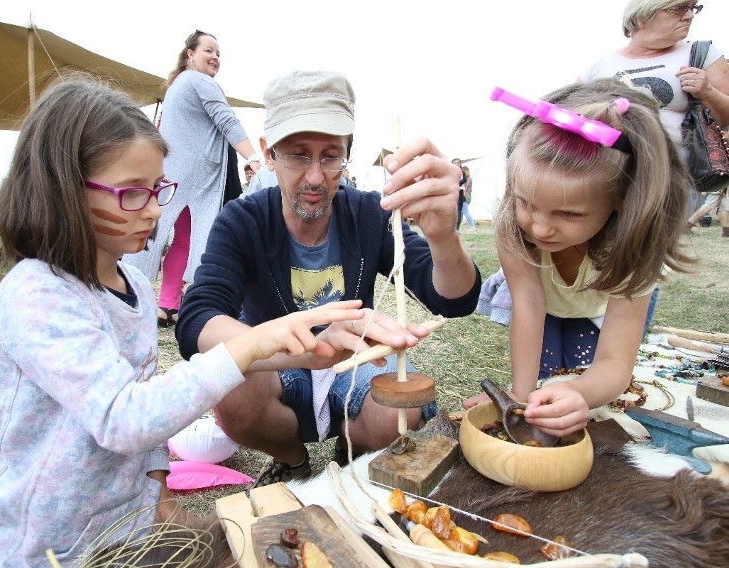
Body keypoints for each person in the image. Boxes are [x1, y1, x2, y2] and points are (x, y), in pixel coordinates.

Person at [0, 75, 364, 568]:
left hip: (123, 536)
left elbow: (148, 432)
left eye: (157, 189)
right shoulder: (38, 294)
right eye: (132, 193)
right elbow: (125, 418)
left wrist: (160, 501)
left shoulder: (130, 283)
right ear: (62, 188)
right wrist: (250, 345)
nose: (154, 209)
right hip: (38, 552)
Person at [176, 70, 481, 487]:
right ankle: (292, 458)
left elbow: (453, 299)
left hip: (357, 368)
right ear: (269, 153)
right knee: (228, 387)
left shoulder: (370, 214)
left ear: (346, 154)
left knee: (401, 412)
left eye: (331, 155)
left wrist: (443, 237)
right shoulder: (243, 220)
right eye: (299, 155)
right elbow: (197, 322)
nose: (316, 176)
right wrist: (305, 348)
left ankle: (355, 446)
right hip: (279, 370)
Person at [464, 79, 694, 438]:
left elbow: (615, 364)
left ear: (621, 203)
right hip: (545, 302)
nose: (539, 228)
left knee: (581, 382)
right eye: (526, 202)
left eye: (569, 214)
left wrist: (580, 394)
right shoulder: (514, 224)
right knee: (546, 380)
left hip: (603, 308)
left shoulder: (632, 246)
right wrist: (521, 395)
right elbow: (527, 301)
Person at [121, 30, 263, 328]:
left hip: (178, 176)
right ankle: (133, 298)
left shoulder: (177, 85)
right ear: (190, 54)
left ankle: (167, 305)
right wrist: (253, 158)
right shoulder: (199, 81)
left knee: (179, 239)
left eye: (218, 54)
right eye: (208, 51)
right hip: (193, 179)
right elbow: (227, 120)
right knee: (170, 238)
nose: (215, 57)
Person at [578, 0, 729, 217]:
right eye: (679, 8)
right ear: (642, 16)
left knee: (656, 246)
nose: (689, 15)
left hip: (671, 180)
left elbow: (727, 119)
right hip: (609, 176)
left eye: (693, 8)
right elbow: (573, 115)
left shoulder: (702, 54)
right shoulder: (598, 66)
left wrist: (708, 92)